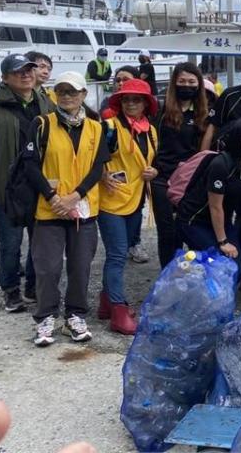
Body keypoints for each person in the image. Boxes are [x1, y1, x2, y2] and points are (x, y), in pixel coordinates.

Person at [22, 71, 108, 346]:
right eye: (62, 91)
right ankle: (46, 316)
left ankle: (75, 313)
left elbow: (98, 167)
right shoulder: (41, 124)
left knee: (81, 265)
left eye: (72, 92)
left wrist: (76, 195)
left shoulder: (96, 127)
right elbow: (30, 165)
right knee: (47, 267)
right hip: (49, 209)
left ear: (83, 95)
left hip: (83, 208)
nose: (67, 96)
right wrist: (52, 196)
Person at [0, 53, 54, 312]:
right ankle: (10, 289)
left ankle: (32, 286)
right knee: (10, 244)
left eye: (29, 69)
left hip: (39, 186)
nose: (26, 74)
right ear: (5, 78)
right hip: (9, 189)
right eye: (18, 71)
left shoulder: (46, 105)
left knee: (39, 243)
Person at [96, 79, 159, 335]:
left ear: (146, 103)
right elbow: (91, 158)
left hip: (136, 200)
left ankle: (106, 303)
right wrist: (101, 175)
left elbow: (151, 161)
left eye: (136, 99)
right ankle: (119, 312)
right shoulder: (109, 127)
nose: (131, 103)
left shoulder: (150, 131)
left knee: (119, 254)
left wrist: (154, 172)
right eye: (126, 99)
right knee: (118, 254)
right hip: (110, 201)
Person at [176, 117, 241, 274]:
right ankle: (188, 283)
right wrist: (223, 241)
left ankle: (211, 291)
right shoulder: (222, 164)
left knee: (235, 268)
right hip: (195, 221)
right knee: (220, 265)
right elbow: (215, 206)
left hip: (222, 222)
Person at [151, 62, 209, 268]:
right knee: (167, 233)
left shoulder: (204, 112)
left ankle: (194, 276)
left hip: (191, 180)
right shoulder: (160, 109)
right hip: (162, 177)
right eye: (182, 81)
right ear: (174, 83)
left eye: (192, 82)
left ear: (199, 84)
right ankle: (168, 275)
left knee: (192, 230)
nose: (187, 85)